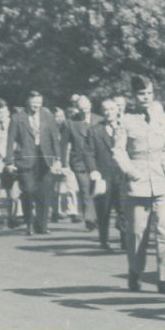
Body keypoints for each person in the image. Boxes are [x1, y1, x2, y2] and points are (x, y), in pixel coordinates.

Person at [117, 75, 165, 293]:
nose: (146, 98)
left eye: (149, 93)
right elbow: (119, 150)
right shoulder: (126, 121)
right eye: (142, 94)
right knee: (137, 235)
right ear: (134, 96)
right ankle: (135, 271)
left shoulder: (164, 119)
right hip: (138, 183)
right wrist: (130, 171)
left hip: (162, 183)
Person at [5, 90, 63, 235]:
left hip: (45, 160)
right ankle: (29, 223)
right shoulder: (17, 118)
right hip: (26, 159)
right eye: (33, 103)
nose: (36, 105)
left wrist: (58, 159)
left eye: (39, 103)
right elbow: (10, 141)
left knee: (44, 194)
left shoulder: (48, 117)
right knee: (28, 192)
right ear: (27, 102)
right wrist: (9, 161)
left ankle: (42, 225)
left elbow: (54, 139)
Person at [83, 96, 129, 250]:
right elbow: (88, 153)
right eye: (105, 110)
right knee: (103, 209)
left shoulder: (125, 128)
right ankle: (104, 239)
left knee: (124, 208)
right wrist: (93, 171)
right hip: (103, 175)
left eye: (112, 109)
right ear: (102, 112)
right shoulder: (94, 130)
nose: (109, 113)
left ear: (118, 110)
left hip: (123, 174)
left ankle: (125, 241)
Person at [61, 95, 101, 231]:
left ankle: (98, 216)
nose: (84, 110)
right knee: (85, 189)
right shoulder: (70, 123)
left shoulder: (99, 120)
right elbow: (64, 144)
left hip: (98, 161)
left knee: (99, 190)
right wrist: (64, 164)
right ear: (77, 108)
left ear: (90, 105)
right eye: (81, 107)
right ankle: (90, 219)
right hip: (79, 162)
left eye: (86, 106)